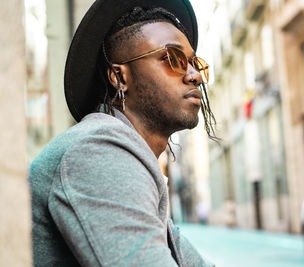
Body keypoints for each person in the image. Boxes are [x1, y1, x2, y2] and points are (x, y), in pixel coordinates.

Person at [29, 0, 216, 266]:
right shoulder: (98, 151)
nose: (194, 75)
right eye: (172, 59)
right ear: (119, 77)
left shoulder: (128, 158)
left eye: (194, 63)